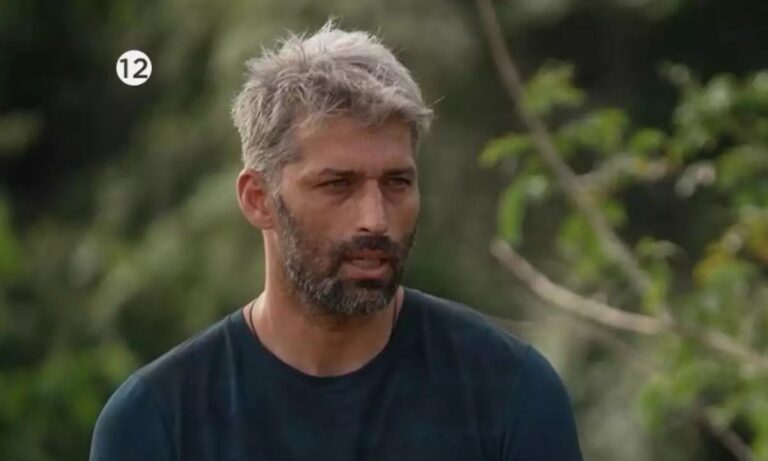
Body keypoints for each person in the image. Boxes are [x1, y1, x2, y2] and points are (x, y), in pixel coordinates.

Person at [89, 21, 583, 461]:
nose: (375, 220)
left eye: (396, 182)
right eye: (337, 185)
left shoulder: (507, 391)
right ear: (259, 199)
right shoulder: (158, 421)